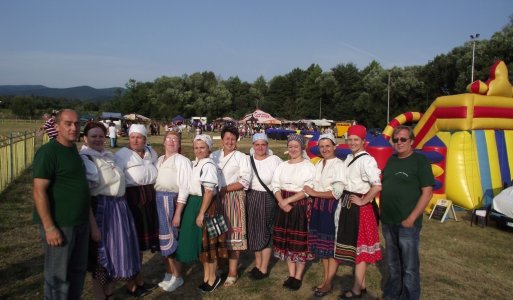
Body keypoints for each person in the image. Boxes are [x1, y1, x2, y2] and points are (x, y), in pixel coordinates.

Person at [33, 109, 93, 299]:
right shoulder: (49, 152)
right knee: (58, 276)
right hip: (60, 223)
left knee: (77, 270)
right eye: (68, 123)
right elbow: (38, 190)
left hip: (79, 222)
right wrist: (49, 227)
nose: (74, 127)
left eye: (77, 123)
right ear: (56, 126)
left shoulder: (72, 150)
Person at [80, 121, 141, 300]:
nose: (98, 139)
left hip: (119, 208)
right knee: (102, 256)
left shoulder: (109, 156)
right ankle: (101, 296)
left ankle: (110, 293)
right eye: (94, 136)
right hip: (102, 209)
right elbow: (86, 194)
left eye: (101, 136)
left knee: (118, 253)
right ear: (85, 138)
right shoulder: (86, 159)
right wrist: (93, 226)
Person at [380, 125, 434, 300]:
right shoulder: (391, 159)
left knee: (409, 267)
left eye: (403, 139)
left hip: (407, 224)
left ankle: (410, 296)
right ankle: (393, 294)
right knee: (393, 263)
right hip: (389, 221)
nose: (399, 143)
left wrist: (411, 218)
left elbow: (427, 192)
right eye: (395, 140)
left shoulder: (420, 161)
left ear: (412, 141)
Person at [334, 125, 382, 299]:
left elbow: (377, 185)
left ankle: (355, 290)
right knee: (355, 249)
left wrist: (363, 200)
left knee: (360, 251)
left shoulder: (367, 161)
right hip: (348, 204)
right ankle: (361, 286)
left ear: (364, 142)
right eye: (350, 139)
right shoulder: (349, 157)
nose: (353, 143)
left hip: (359, 209)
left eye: (356, 140)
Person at [115, 124, 159, 296]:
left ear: (145, 139)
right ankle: (131, 284)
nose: (135, 140)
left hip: (148, 200)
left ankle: (139, 279)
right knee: (132, 244)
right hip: (132, 201)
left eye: (139, 137)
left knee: (140, 246)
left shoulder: (150, 153)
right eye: (132, 137)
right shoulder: (122, 156)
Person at [303, 133, 347, 297]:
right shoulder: (319, 164)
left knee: (331, 245)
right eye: (322, 146)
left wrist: (314, 192)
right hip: (318, 207)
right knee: (323, 246)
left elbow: (336, 192)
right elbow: (312, 183)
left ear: (335, 146)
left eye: (328, 146)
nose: (325, 149)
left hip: (331, 207)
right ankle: (326, 279)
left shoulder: (338, 165)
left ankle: (328, 282)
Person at [271, 133, 315, 291]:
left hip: (299, 205)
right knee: (287, 240)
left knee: (299, 242)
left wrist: (288, 201)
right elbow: (275, 185)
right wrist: (281, 201)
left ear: (302, 147)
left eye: (296, 146)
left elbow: (308, 189)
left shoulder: (308, 166)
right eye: (290, 147)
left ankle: (298, 276)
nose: (293, 149)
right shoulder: (282, 165)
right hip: (282, 204)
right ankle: (291, 274)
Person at [211, 125, 252, 286]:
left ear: (237, 140)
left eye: (233, 139)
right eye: (227, 138)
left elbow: (244, 180)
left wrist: (225, 189)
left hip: (233, 197)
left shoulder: (241, 157)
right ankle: (221, 266)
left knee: (234, 236)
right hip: (216, 199)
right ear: (222, 140)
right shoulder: (214, 156)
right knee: (218, 233)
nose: (230, 141)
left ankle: (233, 272)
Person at [154, 131, 191, 292]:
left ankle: (177, 276)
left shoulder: (182, 160)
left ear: (179, 144)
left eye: (175, 139)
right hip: (159, 200)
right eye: (168, 139)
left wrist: (177, 212)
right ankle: (169, 273)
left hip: (172, 200)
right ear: (163, 142)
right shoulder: (160, 160)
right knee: (163, 239)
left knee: (173, 238)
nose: (171, 141)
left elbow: (184, 187)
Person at [191, 134, 228, 292]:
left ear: (209, 148)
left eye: (202, 147)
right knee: (204, 245)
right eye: (196, 148)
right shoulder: (198, 163)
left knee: (209, 246)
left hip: (208, 208)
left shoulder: (208, 165)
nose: (199, 150)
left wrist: (201, 213)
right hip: (203, 206)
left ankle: (213, 278)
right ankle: (207, 276)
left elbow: (208, 191)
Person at [246, 133, 283, 280]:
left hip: (267, 198)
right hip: (251, 197)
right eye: (257, 145)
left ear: (267, 145)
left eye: (263, 144)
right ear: (253, 146)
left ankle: (264, 268)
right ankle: (257, 264)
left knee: (265, 231)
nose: (260, 147)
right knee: (254, 231)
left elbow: (282, 176)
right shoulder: (247, 160)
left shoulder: (275, 160)